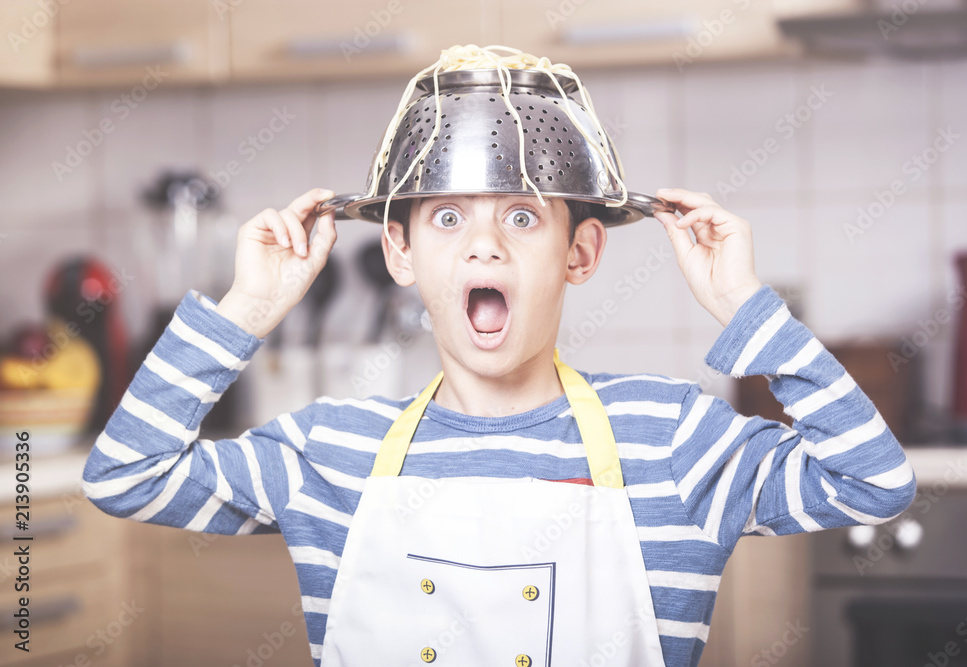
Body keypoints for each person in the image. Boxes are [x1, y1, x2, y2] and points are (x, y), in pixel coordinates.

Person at [81, 46, 916, 667]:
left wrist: (743, 302)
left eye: (521, 217)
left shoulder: (671, 439)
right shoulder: (329, 453)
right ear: (400, 254)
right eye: (448, 219)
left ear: (579, 255)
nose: (484, 247)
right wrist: (247, 309)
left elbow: (875, 482)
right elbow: (125, 475)